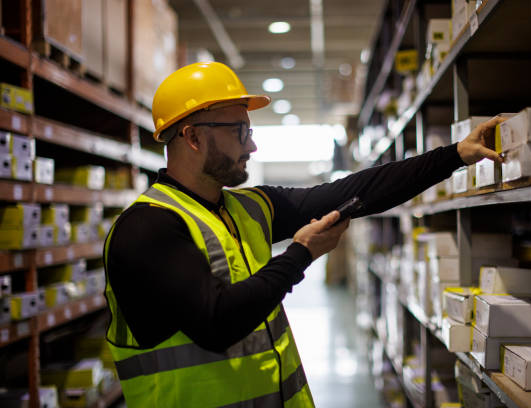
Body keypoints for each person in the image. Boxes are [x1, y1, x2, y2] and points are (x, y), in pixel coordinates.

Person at [103, 61, 503, 407]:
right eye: (240, 131)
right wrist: (300, 256)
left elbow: (357, 192)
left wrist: (455, 155)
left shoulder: (249, 208)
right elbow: (216, 322)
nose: (253, 145)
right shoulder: (146, 228)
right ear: (192, 136)